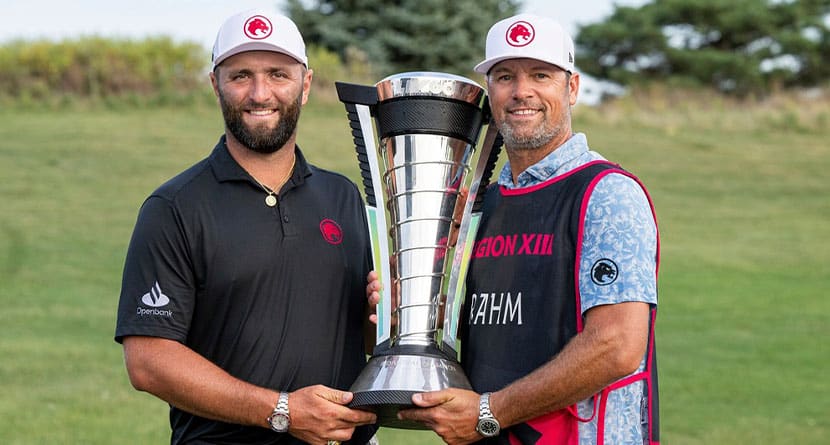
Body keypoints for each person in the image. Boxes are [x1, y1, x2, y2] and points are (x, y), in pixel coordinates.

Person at [367, 13, 660, 445]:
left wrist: (491, 411)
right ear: (491, 92)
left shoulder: (607, 194)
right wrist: (405, 302)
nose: (522, 92)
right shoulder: (481, 206)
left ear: (572, 87)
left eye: (540, 75)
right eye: (505, 77)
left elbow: (616, 345)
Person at [115, 8, 377, 444]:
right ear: (215, 84)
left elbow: (365, 337)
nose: (260, 93)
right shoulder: (175, 207)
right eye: (240, 76)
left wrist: (385, 315)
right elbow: (148, 360)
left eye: (278, 74)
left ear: (306, 85)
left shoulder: (343, 197)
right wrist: (283, 411)